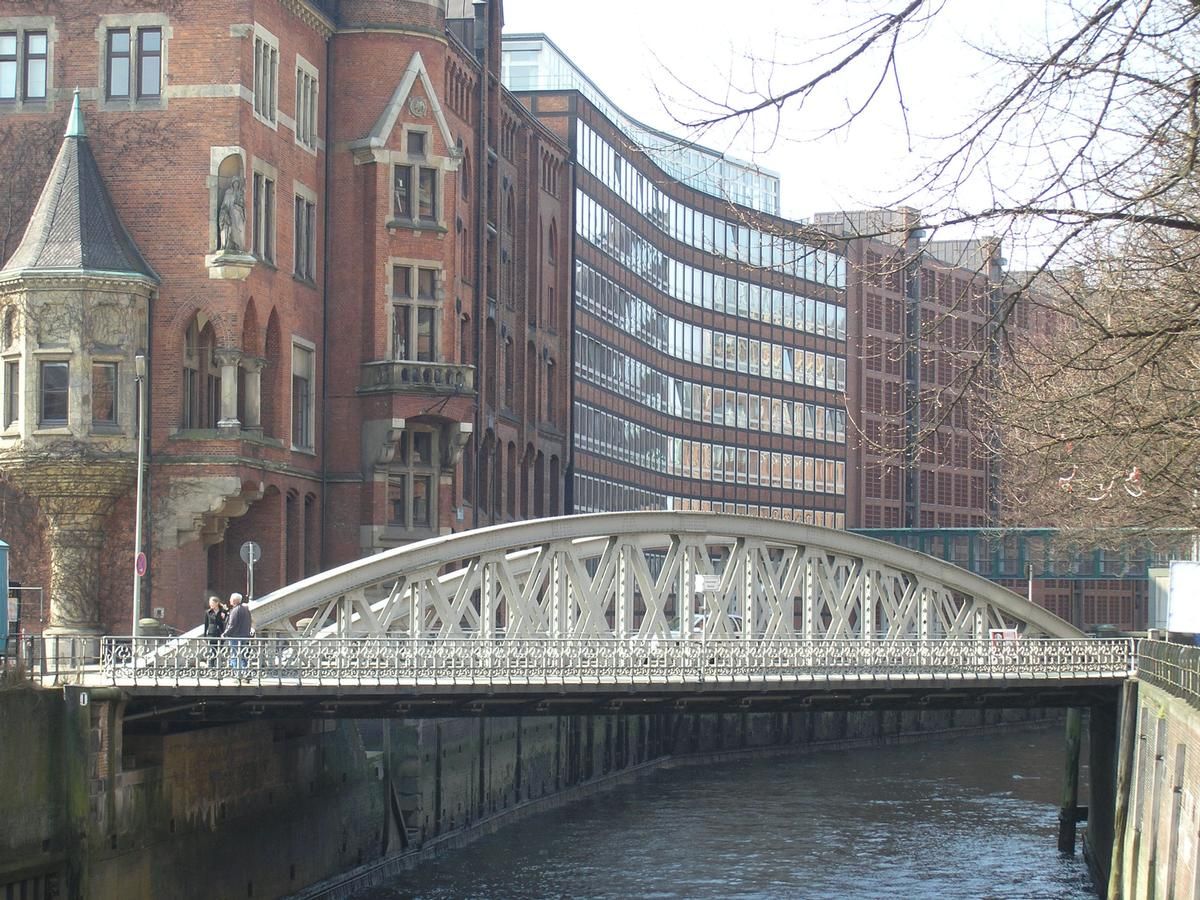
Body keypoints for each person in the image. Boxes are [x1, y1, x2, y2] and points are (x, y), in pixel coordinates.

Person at [222, 592, 252, 677]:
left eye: (231, 599)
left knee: (235, 655)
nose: (230, 600)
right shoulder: (246, 610)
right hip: (244, 635)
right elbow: (249, 622)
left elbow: (232, 625)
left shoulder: (235, 610)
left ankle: (239, 673)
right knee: (242, 655)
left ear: (234, 600)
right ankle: (246, 672)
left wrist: (225, 634)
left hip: (236, 636)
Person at [202, 596, 226, 667]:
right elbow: (206, 624)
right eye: (210, 603)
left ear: (217, 603)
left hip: (220, 633)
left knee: (219, 650)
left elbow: (226, 622)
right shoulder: (208, 612)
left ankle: (217, 665)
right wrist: (204, 636)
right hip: (211, 633)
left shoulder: (223, 611)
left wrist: (224, 617)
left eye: (212, 603)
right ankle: (211, 665)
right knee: (212, 650)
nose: (210, 605)